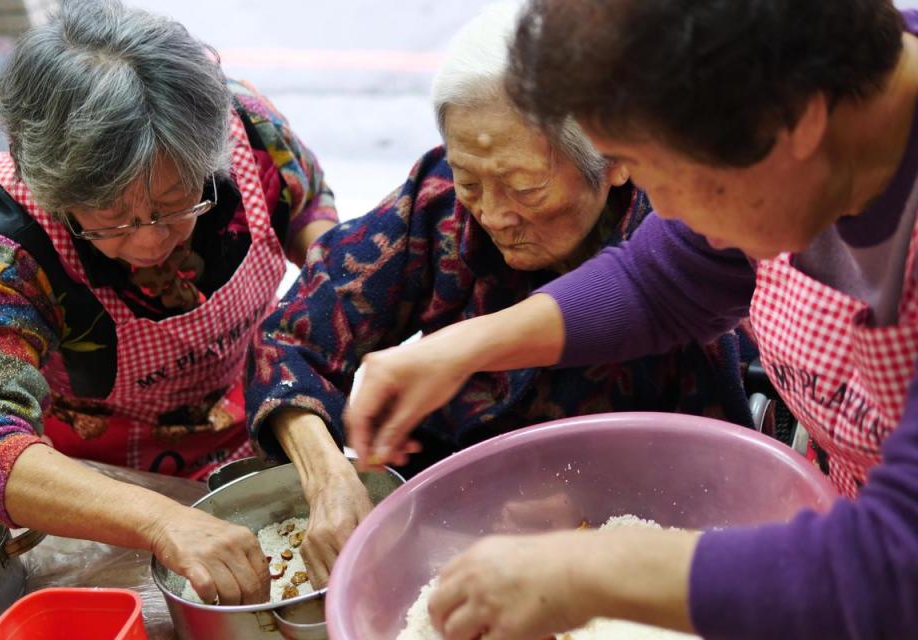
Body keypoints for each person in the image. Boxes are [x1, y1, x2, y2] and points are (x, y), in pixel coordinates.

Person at [344, 0, 918, 638]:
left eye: (660, 172)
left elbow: (895, 564)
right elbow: (669, 276)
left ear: (797, 122)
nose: (660, 208)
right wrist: (457, 350)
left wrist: (588, 570)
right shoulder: (795, 132)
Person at [246, 0, 751, 589]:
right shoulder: (435, 208)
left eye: (525, 188)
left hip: (628, 553)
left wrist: (591, 503)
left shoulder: (682, 233)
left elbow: (715, 472)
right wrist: (326, 472)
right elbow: (289, 335)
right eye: (470, 180)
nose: (491, 213)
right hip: (446, 524)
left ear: (613, 161)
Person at [0, 0, 337, 605]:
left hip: (261, 430)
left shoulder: (241, 128)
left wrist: (321, 426)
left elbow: (316, 220)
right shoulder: (0, 244)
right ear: (51, 187)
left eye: (176, 201)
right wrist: (162, 520)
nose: (152, 240)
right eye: (112, 220)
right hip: (102, 493)